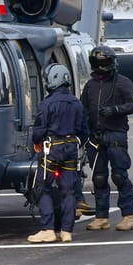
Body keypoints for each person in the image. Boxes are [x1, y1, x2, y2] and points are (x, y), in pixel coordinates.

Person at [80, 45, 133, 231]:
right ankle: (101, 217)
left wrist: (115, 110)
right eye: (99, 62)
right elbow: (83, 110)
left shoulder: (123, 82)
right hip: (95, 137)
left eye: (105, 62)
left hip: (116, 134)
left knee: (119, 176)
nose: (102, 66)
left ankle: (128, 216)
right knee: (98, 178)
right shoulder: (90, 85)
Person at [27, 63, 88, 243]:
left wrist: (37, 142)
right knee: (68, 191)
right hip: (71, 149)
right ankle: (66, 231)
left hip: (52, 149)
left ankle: (47, 229)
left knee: (42, 188)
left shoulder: (47, 104)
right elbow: (84, 131)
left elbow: (38, 131)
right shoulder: (77, 103)